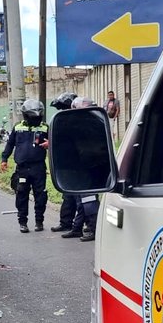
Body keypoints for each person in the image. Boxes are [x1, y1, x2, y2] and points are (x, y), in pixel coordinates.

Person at [0, 99, 49, 233]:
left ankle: (39, 221)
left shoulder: (45, 128)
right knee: (21, 194)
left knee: (41, 195)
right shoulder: (18, 127)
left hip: (38, 168)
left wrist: (50, 144)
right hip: (22, 168)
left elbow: (54, 143)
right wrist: (4, 159)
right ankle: (23, 222)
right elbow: (10, 144)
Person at [64, 96, 100, 242]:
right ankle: (77, 228)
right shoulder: (78, 125)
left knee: (89, 200)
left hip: (90, 168)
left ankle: (93, 229)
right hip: (79, 168)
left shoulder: (93, 124)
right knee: (80, 200)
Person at [48, 92, 79, 233]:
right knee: (67, 194)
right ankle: (66, 222)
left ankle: (81, 225)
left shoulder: (80, 122)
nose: (62, 112)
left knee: (80, 196)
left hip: (80, 164)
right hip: (66, 163)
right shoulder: (63, 121)